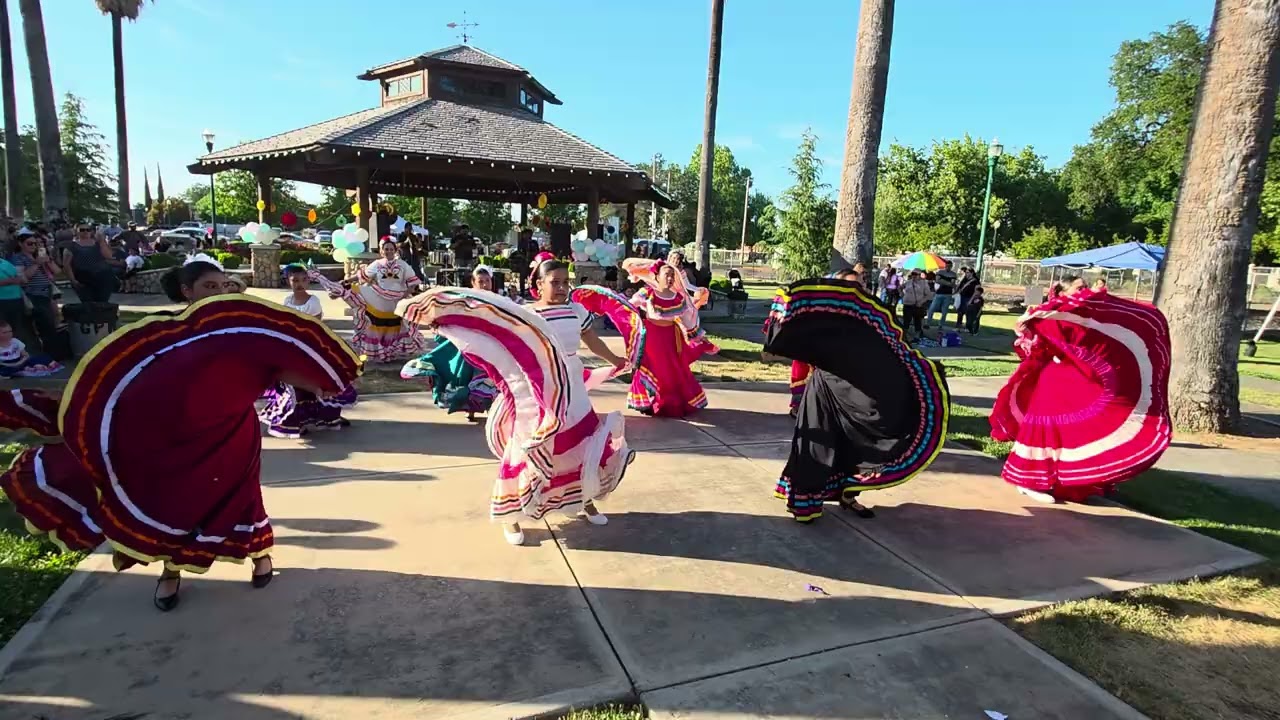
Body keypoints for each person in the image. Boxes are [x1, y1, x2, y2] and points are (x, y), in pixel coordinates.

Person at [4, 258, 362, 611]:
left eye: (223, 286)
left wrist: (323, 385)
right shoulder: (161, 332)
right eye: (209, 286)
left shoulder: (241, 329)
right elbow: (127, 385)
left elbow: (278, 369)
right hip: (179, 435)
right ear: (186, 290)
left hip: (234, 431)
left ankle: (259, 553)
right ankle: (171, 570)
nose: (218, 292)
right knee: (177, 499)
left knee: (243, 494)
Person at [397, 259, 634, 546]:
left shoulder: (577, 311)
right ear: (539, 286)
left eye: (564, 282)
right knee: (527, 447)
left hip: (573, 386)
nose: (561, 288)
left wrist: (616, 361)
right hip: (536, 391)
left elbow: (594, 343)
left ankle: (582, 501)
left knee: (582, 444)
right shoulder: (526, 315)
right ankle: (510, 513)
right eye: (554, 282)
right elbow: (492, 332)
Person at [765, 275, 950, 522]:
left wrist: (918, 372)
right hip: (824, 394)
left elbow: (890, 353)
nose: (858, 289)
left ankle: (848, 496)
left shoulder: (868, 322)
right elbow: (780, 346)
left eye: (861, 284)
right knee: (816, 450)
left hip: (856, 397)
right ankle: (805, 503)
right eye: (852, 284)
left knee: (854, 449)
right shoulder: (825, 319)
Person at [990, 285, 1171, 504]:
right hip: (1054, 381)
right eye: (1077, 288)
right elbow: (1031, 349)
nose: (1083, 291)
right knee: (1043, 430)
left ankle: (1063, 482)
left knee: (1071, 433)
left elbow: (1095, 342)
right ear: (1062, 291)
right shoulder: (1047, 316)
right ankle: (1028, 480)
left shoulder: (1081, 318)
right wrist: (1029, 328)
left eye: (1083, 287)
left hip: (1077, 383)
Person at [258, 265, 358, 438]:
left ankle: (328, 416)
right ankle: (295, 420)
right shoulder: (288, 300)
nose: (299, 284)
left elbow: (314, 327)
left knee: (317, 382)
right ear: (288, 281)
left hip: (310, 347)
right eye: (295, 280)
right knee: (293, 385)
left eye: (303, 280)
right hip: (291, 348)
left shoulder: (313, 302)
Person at [400, 265, 500, 421]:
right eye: (481, 281)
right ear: (473, 283)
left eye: (487, 281)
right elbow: (451, 316)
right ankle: (470, 409)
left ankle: (492, 410)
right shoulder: (465, 301)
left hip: (491, 346)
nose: (485, 284)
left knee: (492, 377)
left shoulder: (498, 301)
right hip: (469, 347)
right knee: (465, 377)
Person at [623, 260, 717, 417]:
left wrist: (697, 337)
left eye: (672, 275)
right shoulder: (647, 293)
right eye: (666, 275)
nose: (670, 278)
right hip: (651, 337)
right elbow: (629, 306)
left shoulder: (678, 297)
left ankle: (668, 402)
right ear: (656, 276)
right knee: (651, 366)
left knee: (671, 369)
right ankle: (648, 401)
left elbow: (687, 319)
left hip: (671, 337)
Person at [316, 238, 426, 363]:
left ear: (395, 250)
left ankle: (394, 352)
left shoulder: (403, 265)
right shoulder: (377, 264)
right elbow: (361, 276)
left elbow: (413, 283)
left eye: (391, 249)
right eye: (386, 249)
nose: (388, 251)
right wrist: (346, 282)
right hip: (379, 297)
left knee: (399, 325)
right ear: (381, 251)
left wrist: (405, 295)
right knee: (364, 304)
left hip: (397, 299)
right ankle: (378, 352)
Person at [9, 227, 62, 353]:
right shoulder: (18, 258)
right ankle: (48, 352)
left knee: (50, 323)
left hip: (47, 293)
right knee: (45, 324)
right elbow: (22, 278)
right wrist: (37, 264)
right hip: (33, 295)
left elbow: (58, 272)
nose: (33, 246)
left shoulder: (39, 256)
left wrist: (48, 261)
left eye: (36, 243)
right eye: (30, 243)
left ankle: (52, 351)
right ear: (21, 244)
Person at [64, 223, 119, 302]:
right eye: (82, 230)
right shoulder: (72, 246)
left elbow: (109, 256)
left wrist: (102, 241)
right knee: (88, 302)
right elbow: (67, 265)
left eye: (88, 230)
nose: (85, 232)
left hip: (102, 277)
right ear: (76, 232)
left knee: (102, 301)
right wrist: (73, 280)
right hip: (83, 277)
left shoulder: (97, 243)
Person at [900, 269, 932, 339]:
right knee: (906, 320)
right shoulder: (908, 282)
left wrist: (921, 302)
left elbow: (928, 295)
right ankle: (904, 335)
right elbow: (900, 287)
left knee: (917, 321)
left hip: (917, 305)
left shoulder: (924, 283)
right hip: (907, 304)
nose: (913, 276)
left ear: (919, 275)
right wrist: (901, 293)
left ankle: (917, 334)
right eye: (912, 274)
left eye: (915, 274)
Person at [925, 260, 957, 327]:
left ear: (951, 266)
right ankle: (928, 323)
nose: (948, 267)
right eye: (947, 266)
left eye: (949, 266)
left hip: (948, 294)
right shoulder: (940, 272)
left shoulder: (953, 274)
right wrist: (948, 283)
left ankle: (941, 324)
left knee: (944, 311)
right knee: (932, 308)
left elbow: (952, 283)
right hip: (939, 293)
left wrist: (942, 281)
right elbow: (937, 280)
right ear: (945, 266)